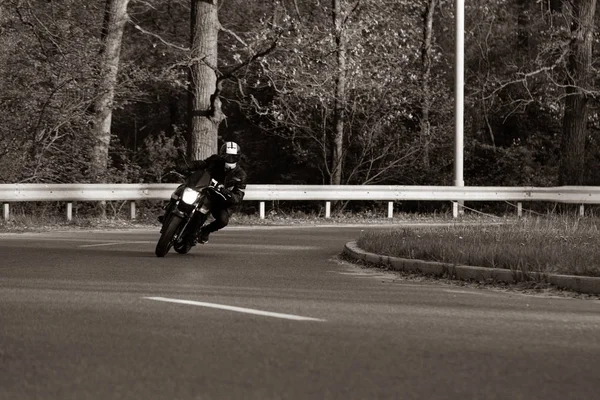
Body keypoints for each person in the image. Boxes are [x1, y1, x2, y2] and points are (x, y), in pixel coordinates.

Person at [161, 141, 247, 244]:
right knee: (181, 190)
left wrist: (226, 192)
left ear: (238, 157)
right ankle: (168, 212)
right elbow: (202, 164)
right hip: (205, 190)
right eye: (227, 156)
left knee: (223, 220)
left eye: (233, 157)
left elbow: (238, 196)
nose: (230, 159)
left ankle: (205, 231)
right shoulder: (215, 160)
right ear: (222, 154)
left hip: (222, 201)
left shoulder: (240, 175)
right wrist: (188, 165)